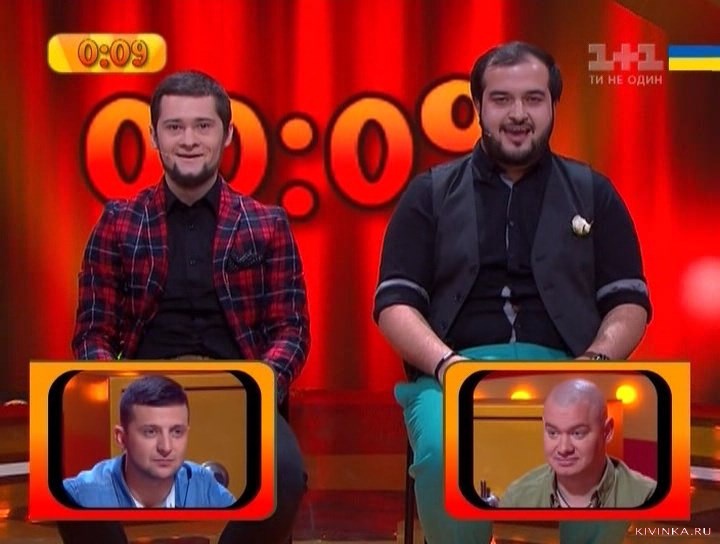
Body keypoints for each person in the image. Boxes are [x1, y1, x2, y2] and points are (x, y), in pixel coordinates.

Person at [373, 41, 651, 544]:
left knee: (624, 447)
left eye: (533, 99)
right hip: (454, 373)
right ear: (478, 107)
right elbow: (395, 305)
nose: (518, 114)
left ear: (553, 105)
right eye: (501, 99)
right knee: (443, 452)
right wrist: (446, 364)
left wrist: (595, 363)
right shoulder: (428, 194)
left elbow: (628, 301)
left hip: (570, 369)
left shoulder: (594, 192)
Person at [61, 70, 309, 544]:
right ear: (154, 137)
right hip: (138, 395)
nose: (189, 140)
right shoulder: (118, 223)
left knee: (284, 474)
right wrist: (111, 390)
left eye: (203, 126)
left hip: (242, 392)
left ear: (227, 134)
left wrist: (260, 386)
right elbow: (92, 332)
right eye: (174, 127)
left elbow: (291, 331)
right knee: (71, 482)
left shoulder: (267, 224)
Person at [63, 374, 236, 508]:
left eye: (177, 432)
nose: (166, 447)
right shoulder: (79, 497)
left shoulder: (204, 487)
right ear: (121, 437)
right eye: (150, 432)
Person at [501, 378, 656, 508]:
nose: (563, 448)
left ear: (607, 432)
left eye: (577, 433)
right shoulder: (518, 499)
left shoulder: (646, 497)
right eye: (553, 433)